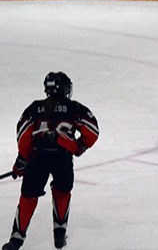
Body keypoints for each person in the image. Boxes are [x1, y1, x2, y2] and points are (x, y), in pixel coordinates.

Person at [2, 72, 99, 250]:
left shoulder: (35, 108)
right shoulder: (73, 107)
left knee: (28, 196)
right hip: (62, 158)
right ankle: (59, 234)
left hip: (38, 157)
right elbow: (92, 131)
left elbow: (23, 135)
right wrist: (78, 146)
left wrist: (22, 160)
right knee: (62, 192)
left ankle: (16, 240)